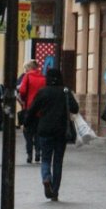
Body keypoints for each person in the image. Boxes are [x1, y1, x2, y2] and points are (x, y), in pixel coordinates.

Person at [26, 68, 78, 201]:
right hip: (61, 131)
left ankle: (46, 178)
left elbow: (32, 110)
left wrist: (27, 122)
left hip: (45, 130)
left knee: (46, 159)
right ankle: (55, 191)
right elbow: (75, 108)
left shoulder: (43, 92)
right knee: (58, 161)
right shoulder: (65, 91)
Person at [17, 60, 46, 163]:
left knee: (28, 132)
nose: (25, 70)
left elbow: (22, 91)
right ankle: (38, 151)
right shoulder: (43, 78)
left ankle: (30, 154)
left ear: (29, 67)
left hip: (29, 108)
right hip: (40, 110)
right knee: (38, 132)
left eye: (26, 68)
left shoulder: (27, 77)